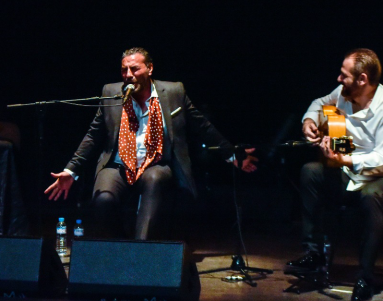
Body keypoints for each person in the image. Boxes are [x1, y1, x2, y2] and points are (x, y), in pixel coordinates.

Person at [45, 47, 257, 240]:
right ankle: (121, 246)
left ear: (150, 68)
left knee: (155, 179)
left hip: (156, 164)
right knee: (103, 200)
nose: (128, 75)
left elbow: (202, 126)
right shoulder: (111, 93)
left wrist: (232, 154)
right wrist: (70, 171)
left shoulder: (174, 92)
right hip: (118, 165)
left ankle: (141, 249)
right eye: (124, 70)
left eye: (134, 69)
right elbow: (93, 135)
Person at [286, 48, 383, 301]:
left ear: (362, 79)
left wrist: (344, 158)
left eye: (344, 75)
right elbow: (320, 103)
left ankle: (365, 277)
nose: (338, 79)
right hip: (352, 173)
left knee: (370, 195)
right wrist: (309, 122)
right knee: (311, 171)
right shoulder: (344, 94)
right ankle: (315, 254)